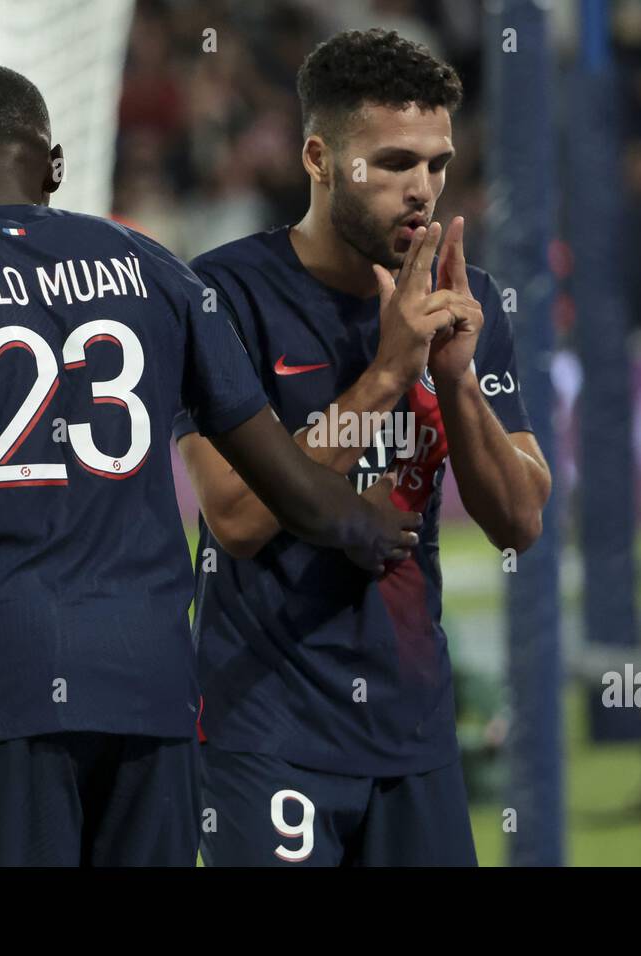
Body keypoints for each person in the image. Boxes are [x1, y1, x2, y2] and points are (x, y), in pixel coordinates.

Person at [0, 64, 419, 866]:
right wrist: (371, 525)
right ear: (54, 167)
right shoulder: (159, 271)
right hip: (152, 699)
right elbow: (292, 485)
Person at [175, 30, 551, 866]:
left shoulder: (468, 299)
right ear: (319, 157)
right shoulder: (220, 296)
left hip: (415, 730)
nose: (423, 191)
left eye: (438, 163)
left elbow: (521, 517)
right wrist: (389, 372)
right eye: (391, 164)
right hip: (267, 731)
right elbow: (234, 515)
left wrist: (453, 380)